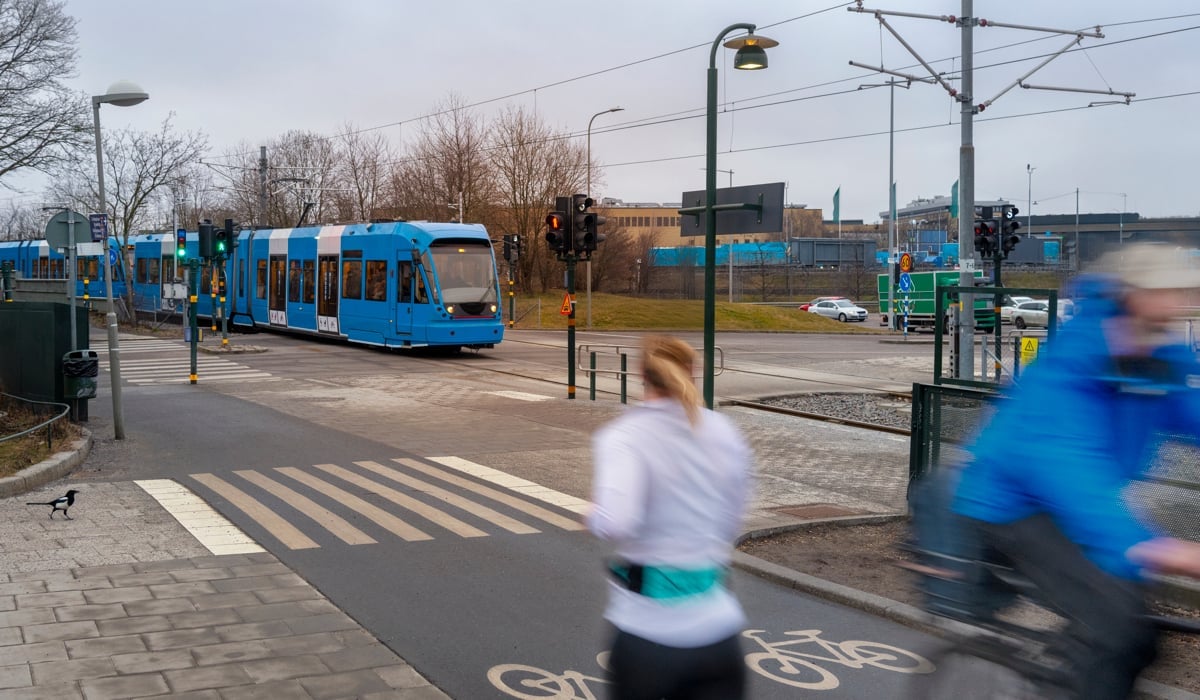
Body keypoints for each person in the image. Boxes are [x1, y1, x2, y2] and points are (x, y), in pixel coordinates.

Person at [920, 242, 1200, 700]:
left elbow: (1193, 412)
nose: (1179, 302)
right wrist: (1158, 548)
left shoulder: (1160, 351)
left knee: (1142, 639)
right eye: (1166, 291)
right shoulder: (1071, 364)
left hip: (1078, 506)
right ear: (1132, 295)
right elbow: (1071, 473)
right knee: (1117, 627)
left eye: (1183, 291)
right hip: (1012, 506)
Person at [587, 335, 754, 700]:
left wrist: (594, 513)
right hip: (718, 637)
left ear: (641, 375)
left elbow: (616, 522)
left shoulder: (625, 437)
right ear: (692, 372)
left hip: (648, 635)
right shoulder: (723, 431)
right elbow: (731, 519)